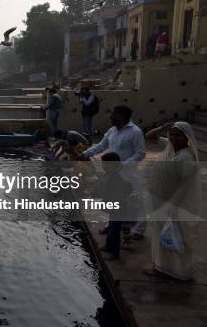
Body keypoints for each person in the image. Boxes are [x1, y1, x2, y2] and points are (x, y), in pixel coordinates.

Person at [143, 121, 202, 281]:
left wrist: (172, 205)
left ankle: (176, 271)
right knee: (162, 235)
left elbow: (185, 186)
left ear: (186, 137)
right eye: (172, 134)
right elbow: (148, 137)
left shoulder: (186, 156)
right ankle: (162, 267)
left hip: (172, 203)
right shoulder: (169, 148)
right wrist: (162, 129)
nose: (174, 138)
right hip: (160, 200)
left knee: (174, 238)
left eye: (178, 135)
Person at [78, 105, 146, 237]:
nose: (110, 116)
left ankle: (139, 230)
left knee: (136, 201)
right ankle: (111, 226)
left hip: (128, 173)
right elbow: (101, 146)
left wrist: (122, 165)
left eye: (113, 114)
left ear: (121, 115)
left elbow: (140, 154)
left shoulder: (135, 132)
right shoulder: (112, 131)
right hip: (112, 173)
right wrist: (84, 154)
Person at [98, 152, 133, 260]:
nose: (103, 166)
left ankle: (115, 253)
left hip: (118, 208)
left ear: (113, 165)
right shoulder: (109, 174)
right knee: (111, 228)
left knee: (115, 230)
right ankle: (108, 246)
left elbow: (127, 189)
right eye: (102, 164)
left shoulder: (117, 177)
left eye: (105, 164)